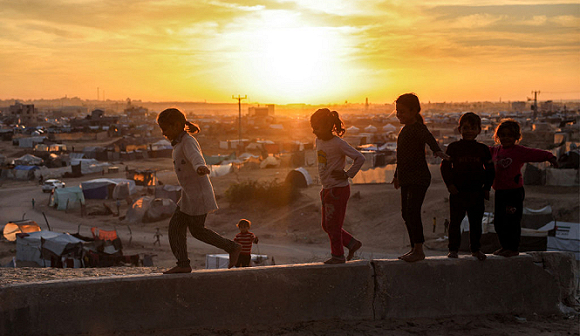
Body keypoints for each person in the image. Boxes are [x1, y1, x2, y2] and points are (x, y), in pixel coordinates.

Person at [157, 108, 241, 274]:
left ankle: (231, 248)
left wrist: (200, 167)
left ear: (176, 126)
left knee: (195, 230)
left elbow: (196, 156)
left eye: (165, 129)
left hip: (198, 194)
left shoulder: (188, 141)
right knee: (179, 227)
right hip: (189, 194)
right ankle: (183, 263)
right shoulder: (180, 143)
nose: (163, 133)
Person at [392, 93, 449, 262]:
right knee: (406, 213)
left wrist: (437, 151)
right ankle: (414, 248)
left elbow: (429, 138)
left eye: (402, 112)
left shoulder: (418, 129)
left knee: (412, 212)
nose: (398, 115)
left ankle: (419, 249)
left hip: (419, 177)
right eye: (397, 111)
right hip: (406, 178)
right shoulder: (404, 130)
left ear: (414, 110)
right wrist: (397, 176)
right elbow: (401, 157)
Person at [490, 119, 558, 257]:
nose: (505, 138)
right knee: (499, 222)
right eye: (502, 135)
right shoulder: (495, 150)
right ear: (498, 137)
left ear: (516, 137)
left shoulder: (519, 151)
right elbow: (479, 151)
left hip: (513, 193)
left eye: (509, 135)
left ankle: (513, 248)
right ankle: (505, 246)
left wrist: (550, 157)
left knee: (512, 221)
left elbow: (535, 153)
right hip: (500, 192)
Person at [311, 108, 365, 264]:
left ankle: (338, 256)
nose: (314, 131)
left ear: (328, 125)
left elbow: (359, 158)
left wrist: (347, 174)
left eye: (317, 127)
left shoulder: (338, 143)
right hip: (327, 188)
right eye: (313, 127)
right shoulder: (318, 141)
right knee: (326, 225)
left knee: (333, 225)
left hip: (338, 189)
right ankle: (351, 243)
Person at [440, 112, 495, 261]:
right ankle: (453, 250)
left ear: (479, 130)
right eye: (466, 128)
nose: (469, 131)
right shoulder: (453, 147)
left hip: (476, 192)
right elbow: (445, 167)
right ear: (460, 130)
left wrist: (486, 188)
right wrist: (450, 184)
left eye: (473, 128)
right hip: (458, 192)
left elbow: (490, 170)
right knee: (455, 222)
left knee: (476, 223)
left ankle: (476, 249)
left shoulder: (483, 149)